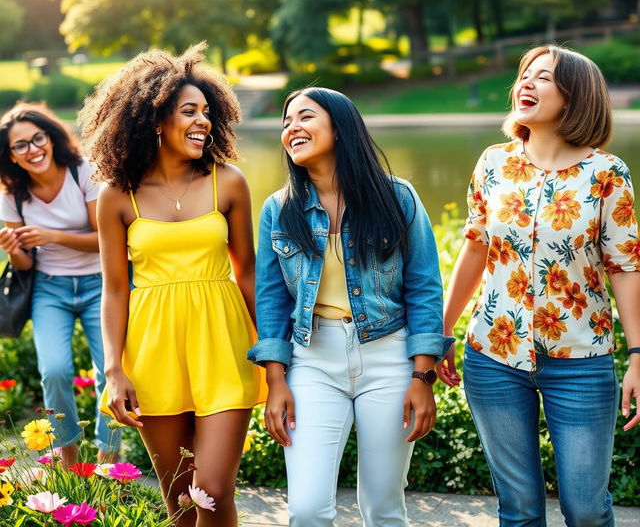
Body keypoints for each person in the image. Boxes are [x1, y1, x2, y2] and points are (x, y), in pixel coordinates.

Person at [437, 45, 640, 526]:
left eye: (543, 77)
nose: (525, 83)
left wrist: (638, 355)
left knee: (587, 509)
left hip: (582, 363)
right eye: (524, 74)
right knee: (520, 510)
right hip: (493, 358)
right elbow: (474, 248)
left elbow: (625, 266)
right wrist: (441, 331)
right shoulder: (493, 164)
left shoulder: (607, 174)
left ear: (575, 96)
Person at [80, 43, 266, 527]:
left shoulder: (229, 183)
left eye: (207, 111)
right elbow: (115, 288)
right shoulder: (116, 195)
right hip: (153, 351)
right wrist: (114, 368)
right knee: (181, 500)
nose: (202, 120)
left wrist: (272, 350)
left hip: (223, 346)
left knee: (213, 489)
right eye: (189, 111)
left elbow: (248, 272)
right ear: (154, 119)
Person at [248, 87, 452, 526]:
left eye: (304, 117)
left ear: (340, 128)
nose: (291, 128)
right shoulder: (278, 210)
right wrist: (275, 380)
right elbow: (270, 298)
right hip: (312, 360)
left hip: (389, 356)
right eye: (286, 122)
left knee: (383, 507)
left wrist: (422, 375)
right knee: (306, 510)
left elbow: (423, 287)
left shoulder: (397, 198)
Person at [0, 102, 121, 465]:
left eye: (38, 138)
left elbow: (106, 239)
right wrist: (13, 250)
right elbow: (24, 263)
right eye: (20, 145)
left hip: (101, 284)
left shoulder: (84, 171)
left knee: (110, 371)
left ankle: (108, 458)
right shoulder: (10, 194)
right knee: (53, 370)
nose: (33, 149)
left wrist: (51, 235)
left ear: (51, 139)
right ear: (11, 157)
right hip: (49, 289)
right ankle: (68, 458)